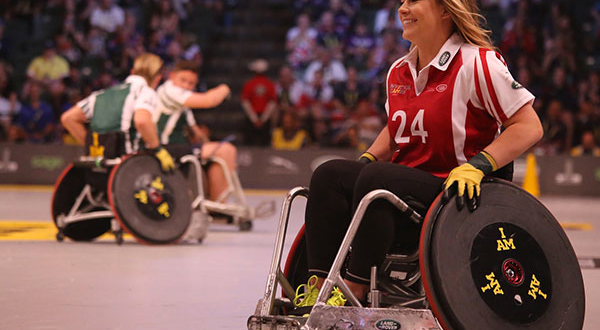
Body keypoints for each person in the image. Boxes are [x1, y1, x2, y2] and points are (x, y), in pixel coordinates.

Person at [292, 0, 543, 310]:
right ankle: (317, 288)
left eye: (413, 1)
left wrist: (478, 166)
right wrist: (367, 159)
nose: (403, 8)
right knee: (330, 174)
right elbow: (396, 127)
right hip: (403, 187)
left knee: (377, 178)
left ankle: (352, 289)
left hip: (456, 194)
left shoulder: (479, 63)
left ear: (445, 10)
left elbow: (528, 127)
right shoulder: (399, 70)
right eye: (402, 1)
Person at [60, 53, 175, 171]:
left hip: (99, 167)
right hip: (129, 167)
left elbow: (68, 118)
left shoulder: (100, 94)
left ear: (132, 71)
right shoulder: (145, 92)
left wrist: (94, 146)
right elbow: (142, 121)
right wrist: (158, 149)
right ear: (157, 78)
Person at [155, 60, 236, 202]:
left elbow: (196, 133)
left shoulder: (182, 102)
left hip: (179, 147)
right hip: (165, 148)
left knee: (219, 152)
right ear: (172, 76)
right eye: (183, 80)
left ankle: (214, 202)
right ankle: (218, 205)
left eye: (191, 83)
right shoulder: (169, 91)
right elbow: (209, 100)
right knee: (226, 151)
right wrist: (225, 88)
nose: (186, 86)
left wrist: (209, 144)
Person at [241, 59, 277, 146]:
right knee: (264, 143)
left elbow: (245, 102)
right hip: (264, 118)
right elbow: (272, 103)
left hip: (253, 118)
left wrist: (255, 119)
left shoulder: (249, 84)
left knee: (250, 143)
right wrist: (263, 119)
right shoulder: (270, 84)